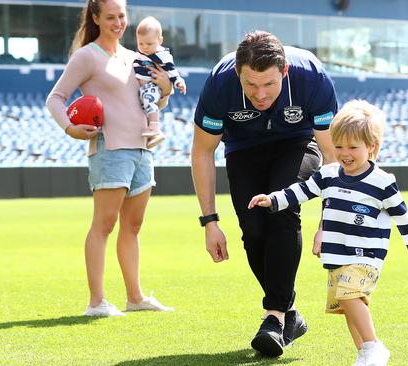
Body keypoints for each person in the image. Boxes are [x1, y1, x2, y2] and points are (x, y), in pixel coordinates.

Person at [248, 99, 408, 366]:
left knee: (350, 296)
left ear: (372, 147)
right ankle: (365, 354)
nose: (345, 152)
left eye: (353, 147)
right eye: (339, 145)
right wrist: (273, 199)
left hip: (365, 255)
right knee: (348, 307)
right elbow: (300, 191)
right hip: (336, 255)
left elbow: (402, 214)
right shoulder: (329, 174)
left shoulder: (382, 182)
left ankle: (374, 346)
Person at [191, 30, 338, 357]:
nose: (260, 94)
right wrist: (210, 222)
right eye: (251, 85)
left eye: (269, 84)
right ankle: (290, 315)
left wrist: (328, 221)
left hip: (298, 143)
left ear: (284, 72)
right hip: (243, 150)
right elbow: (202, 152)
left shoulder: (312, 77)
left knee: (281, 206)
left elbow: (332, 155)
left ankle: (274, 317)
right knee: (254, 229)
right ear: (236, 74)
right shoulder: (219, 84)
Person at [46, 0, 173, 317]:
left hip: (143, 150)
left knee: (133, 227)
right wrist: (70, 128)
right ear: (96, 18)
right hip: (110, 149)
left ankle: (135, 297)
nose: (118, 22)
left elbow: (148, 103)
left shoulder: (135, 57)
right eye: (111, 17)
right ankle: (96, 302)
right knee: (103, 225)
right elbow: (56, 98)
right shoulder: (86, 56)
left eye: (122, 16)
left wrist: (166, 90)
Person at [133, 16, 186, 149]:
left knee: (148, 98)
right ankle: (152, 135)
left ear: (159, 40)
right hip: (143, 87)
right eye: (141, 43)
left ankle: (155, 127)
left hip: (153, 86)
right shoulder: (138, 54)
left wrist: (178, 81)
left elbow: (172, 70)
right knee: (143, 104)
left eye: (149, 44)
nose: (144, 47)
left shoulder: (162, 56)